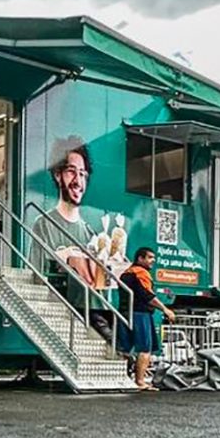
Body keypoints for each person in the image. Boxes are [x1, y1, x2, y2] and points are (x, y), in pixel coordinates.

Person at [32, 138, 106, 288]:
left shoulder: (89, 233)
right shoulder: (43, 224)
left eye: (82, 174)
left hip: (82, 306)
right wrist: (61, 257)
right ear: (58, 175)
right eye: (71, 172)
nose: (78, 181)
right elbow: (35, 273)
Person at [120, 247, 174, 391]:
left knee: (125, 348)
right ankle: (140, 381)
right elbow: (148, 296)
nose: (153, 261)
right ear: (140, 258)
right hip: (140, 314)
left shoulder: (126, 273)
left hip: (125, 312)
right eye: (149, 258)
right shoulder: (140, 273)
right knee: (145, 349)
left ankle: (123, 378)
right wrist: (165, 309)